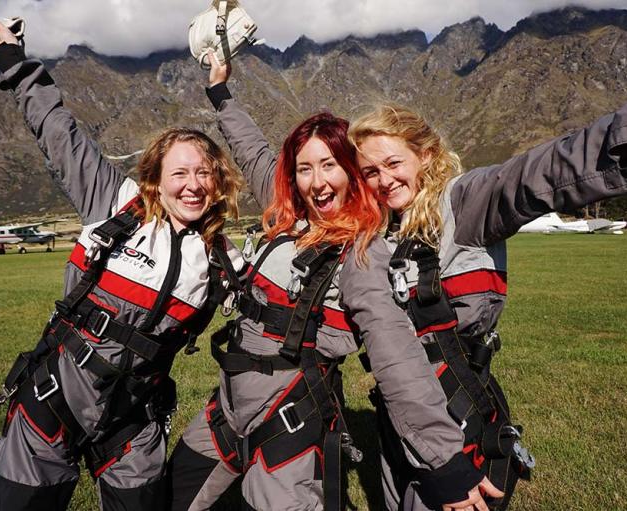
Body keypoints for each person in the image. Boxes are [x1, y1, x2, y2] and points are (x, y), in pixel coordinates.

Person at [167, 54, 503, 511]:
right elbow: (253, 150)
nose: (317, 181)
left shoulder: (364, 252)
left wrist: (446, 462)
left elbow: (394, 354)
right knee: (175, 491)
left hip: (290, 412)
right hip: (228, 404)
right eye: (305, 168)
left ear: (351, 171)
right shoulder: (293, 210)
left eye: (329, 165)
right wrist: (220, 91)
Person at [0, 19, 245, 511]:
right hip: (56, 398)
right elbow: (58, 132)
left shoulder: (223, 258)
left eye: (204, 173)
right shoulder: (114, 202)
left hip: (132, 418)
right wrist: (12, 58)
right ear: (155, 177)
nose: (193, 184)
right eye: (179, 172)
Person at [347, 98, 627, 510]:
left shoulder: (465, 203)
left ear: (426, 154)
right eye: (370, 173)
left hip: (456, 413)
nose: (384, 180)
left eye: (393, 163)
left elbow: (537, 172)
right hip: (396, 416)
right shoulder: (376, 233)